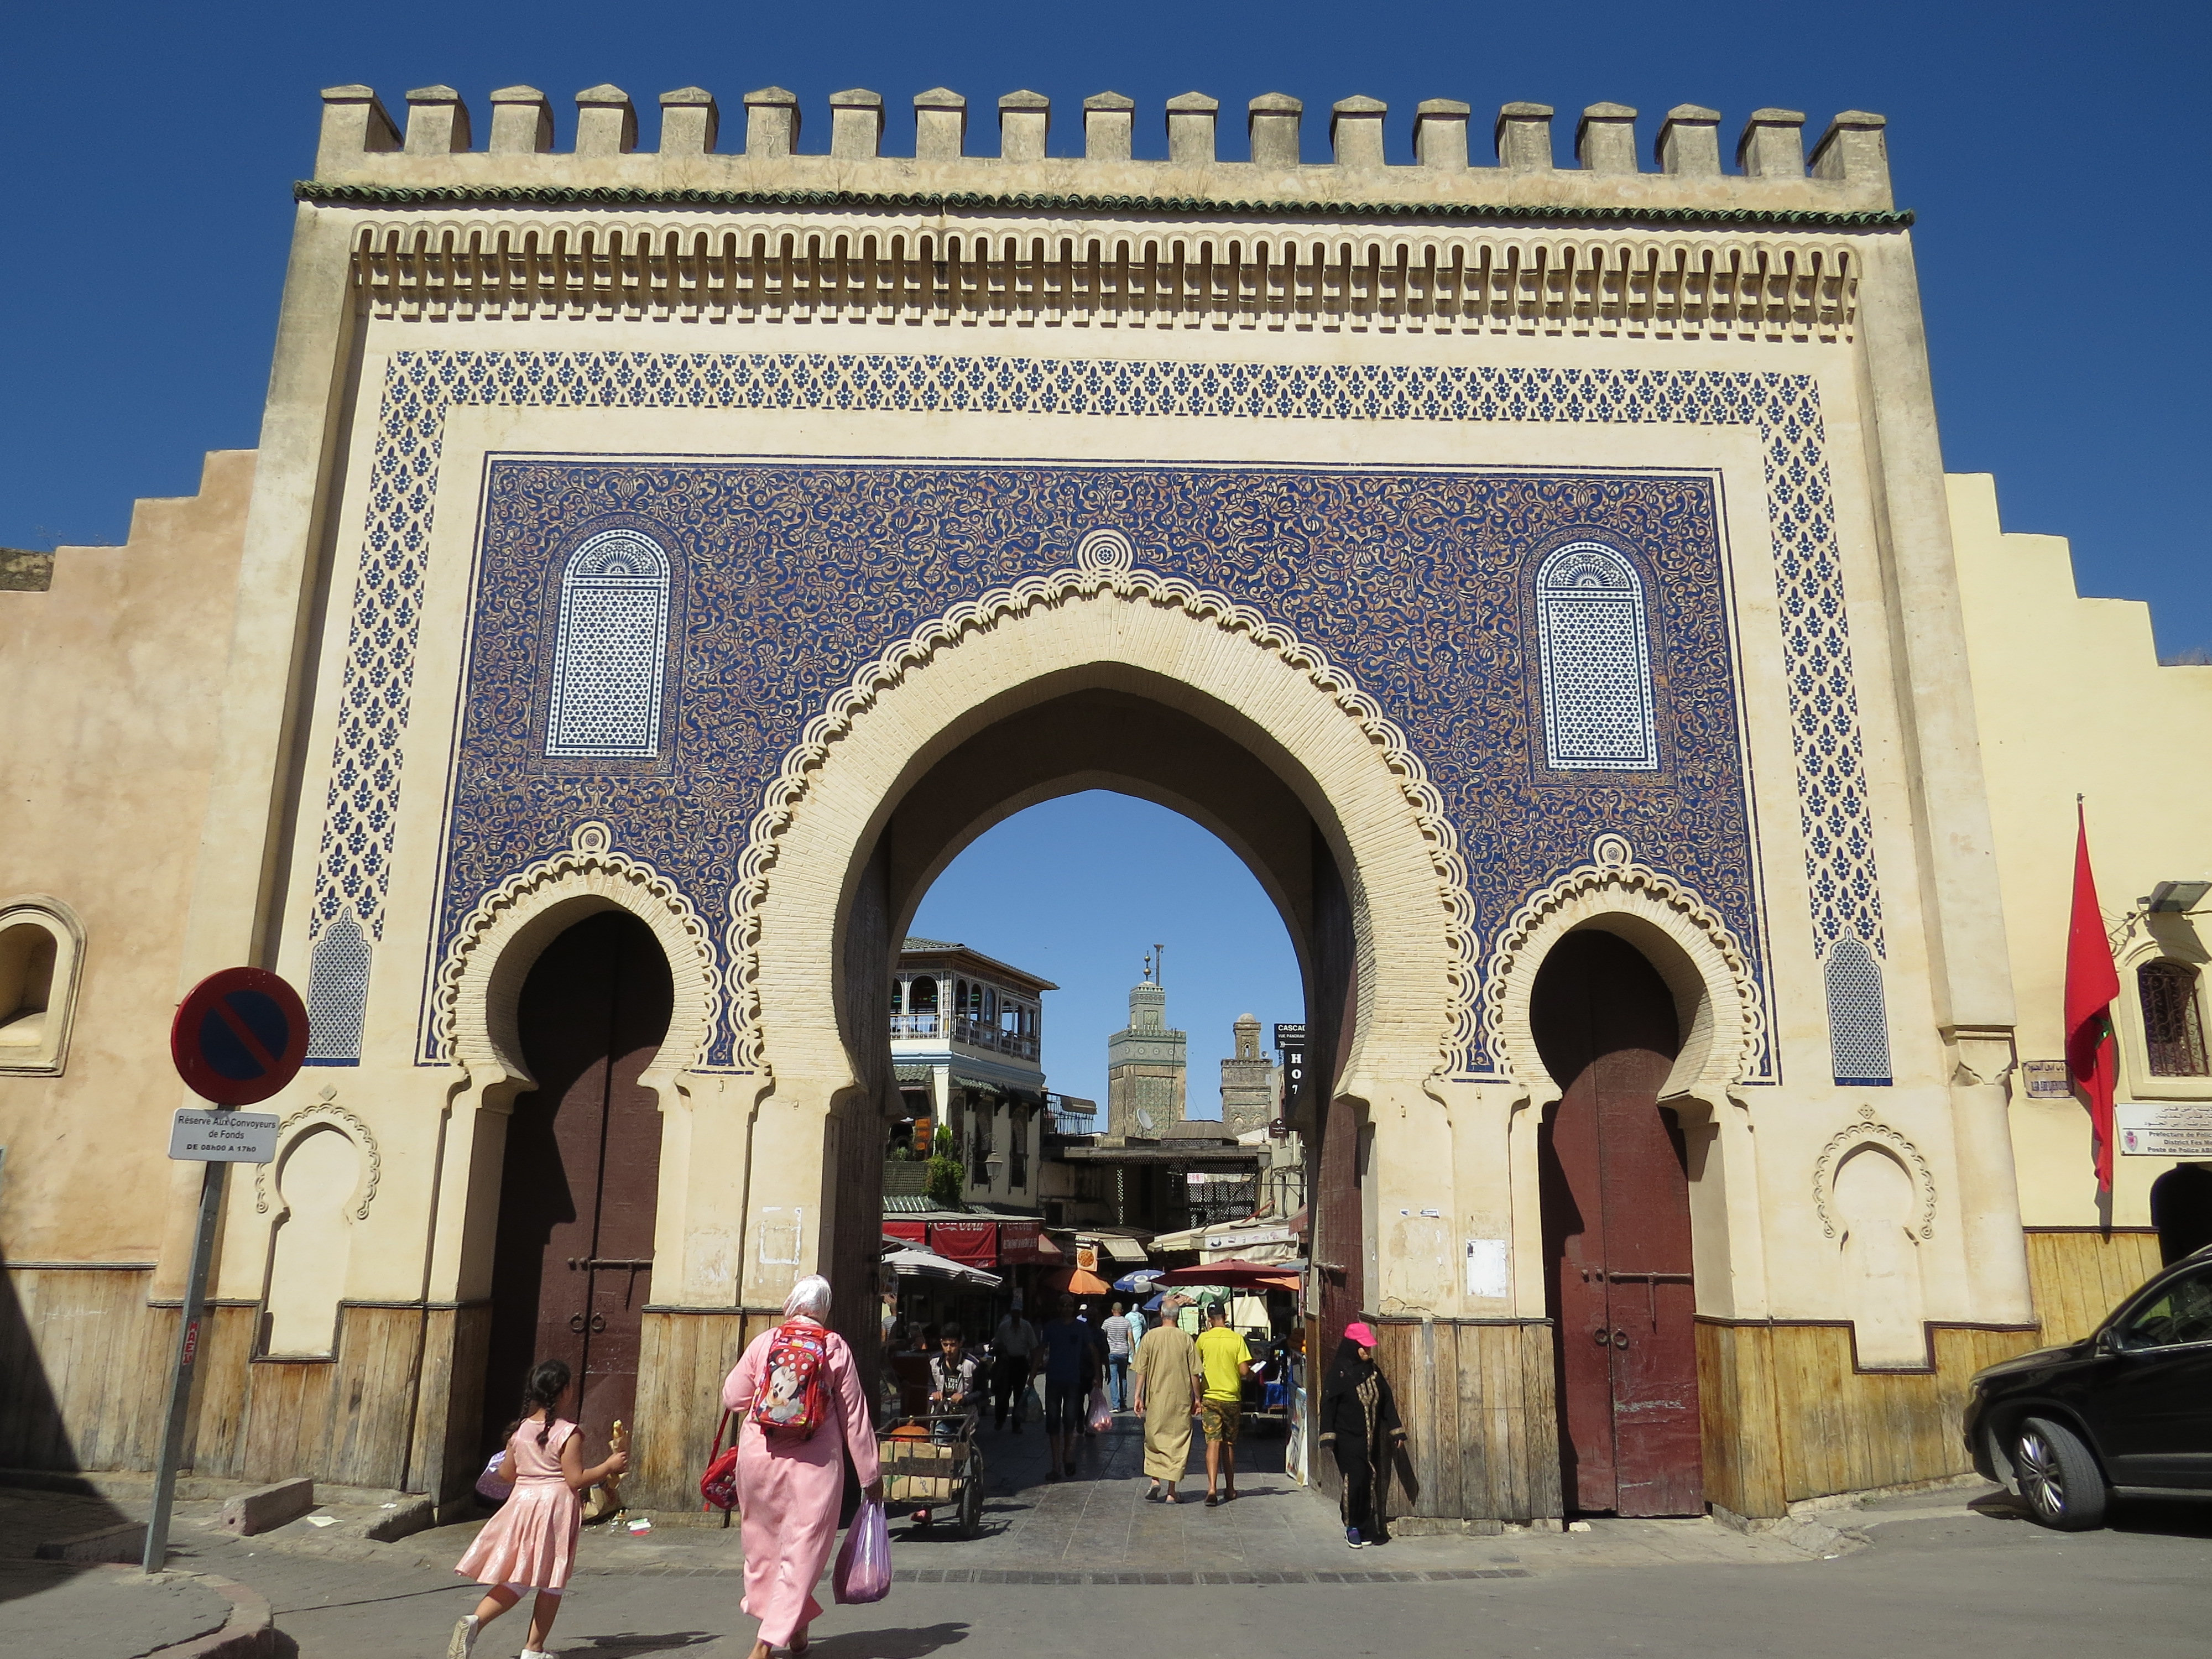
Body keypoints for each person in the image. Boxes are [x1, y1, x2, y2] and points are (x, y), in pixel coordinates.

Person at [721, 1276, 883, 1659]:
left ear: (792, 1304)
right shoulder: (834, 1347)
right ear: (824, 1310)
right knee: (803, 1553)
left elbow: (733, 1396)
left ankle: (797, 1635)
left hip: (761, 1457)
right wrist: (870, 1476)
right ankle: (765, 1643)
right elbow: (855, 1417)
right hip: (815, 1464)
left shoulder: (766, 1342)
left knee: (763, 1550)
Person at [447, 1358, 628, 1659]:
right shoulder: (568, 1433)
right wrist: (609, 1465)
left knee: (519, 1578)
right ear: (565, 1391)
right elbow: (576, 1478)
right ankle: (534, 1649)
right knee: (552, 1580)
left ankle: (475, 1621)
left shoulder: (520, 1432)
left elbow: (506, 1474)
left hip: (522, 1504)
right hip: (554, 1507)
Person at [1316, 1321, 1405, 1548]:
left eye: (1369, 1348)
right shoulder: (1340, 1372)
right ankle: (1352, 1526)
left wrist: (1397, 1432)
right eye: (1363, 1347)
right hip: (1347, 1438)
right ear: (1352, 1346)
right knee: (1354, 1480)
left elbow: (1387, 1402)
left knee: (1369, 1481)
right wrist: (1328, 1435)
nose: (1368, 1351)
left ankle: (1367, 1526)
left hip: (1370, 1438)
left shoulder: (1374, 1372)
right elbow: (1328, 1404)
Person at [1129, 1304, 1200, 1504]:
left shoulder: (1150, 1337)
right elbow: (1195, 1373)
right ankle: (1171, 1491)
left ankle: (1154, 1480)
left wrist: (1137, 1396)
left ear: (1161, 1315)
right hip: (1180, 1399)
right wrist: (1197, 1398)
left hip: (1156, 1397)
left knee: (1154, 1438)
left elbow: (1141, 1369)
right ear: (1178, 1316)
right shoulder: (1186, 1339)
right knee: (1178, 1441)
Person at [1193, 1301, 1253, 1507]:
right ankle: (1229, 1488)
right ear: (1225, 1317)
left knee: (1212, 1441)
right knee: (1228, 1443)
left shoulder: (1203, 1339)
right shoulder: (1236, 1339)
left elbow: (1195, 1366)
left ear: (1210, 1319)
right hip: (1231, 1399)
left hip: (1210, 1397)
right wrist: (1252, 1373)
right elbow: (1244, 1371)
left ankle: (1211, 1488)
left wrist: (1197, 1397)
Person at [1032, 1292, 1095, 1480]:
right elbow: (1041, 1350)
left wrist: (1098, 1376)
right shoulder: (1051, 1327)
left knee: (1069, 1421)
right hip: (1054, 1380)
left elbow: (1093, 1350)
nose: (1067, 1308)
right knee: (1053, 1423)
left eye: (1070, 1305)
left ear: (1073, 1308)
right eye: (1063, 1305)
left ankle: (1067, 1455)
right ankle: (1056, 1464)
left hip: (1073, 1381)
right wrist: (1032, 1373)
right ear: (1059, 1308)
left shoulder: (1081, 1328)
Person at [989, 1305, 1037, 1432]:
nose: (1016, 1315)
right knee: (1003, 1394)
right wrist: (1001, 1351)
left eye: (1018, 1313)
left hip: (1021, 1363)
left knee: (1019, 1395)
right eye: (1014, 1313)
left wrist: (1034, 1367)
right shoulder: (1004, 1326)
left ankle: (1016, 1424)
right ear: (1011, 1313)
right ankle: (1000, 1420)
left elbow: (1033, 1347)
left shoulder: (1026, 1327)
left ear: (1021, 1313)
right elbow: (997, 1343)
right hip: (1006, 1362)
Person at [928, 1323, 980, 1441]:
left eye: (953, 1345)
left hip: (966, 1418)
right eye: (945, 1345)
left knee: (965, 1453)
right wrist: (933, 1393)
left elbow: (982, 1392)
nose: (948, 1349)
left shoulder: (972, 1364)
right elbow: (930, 1384)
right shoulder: (934, 1362)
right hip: (943, 1415)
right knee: (939, 1447)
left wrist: (964, 1399)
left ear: (960, 1343)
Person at [1101, 1301, 1134, 1411]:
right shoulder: (1126, 1322)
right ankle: (1123, 1402)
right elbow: (1130, 1338)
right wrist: (1134, 1353)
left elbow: (1102, 1336)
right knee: (1123, 1377)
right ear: (1122, 1311)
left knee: (1113, 1379)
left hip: (1111, 1353)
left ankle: (1116, 1405)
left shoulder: (1107, 1322)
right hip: (1123, 1352)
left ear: (1112, 1311)